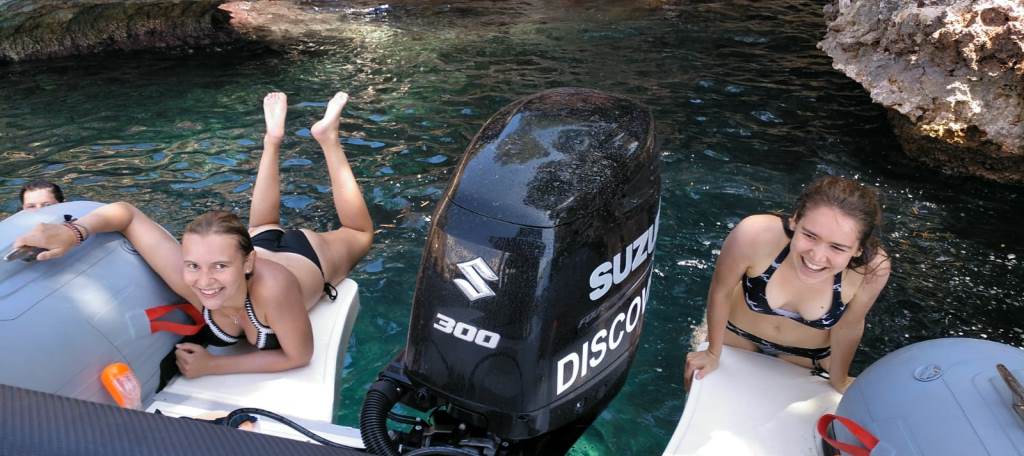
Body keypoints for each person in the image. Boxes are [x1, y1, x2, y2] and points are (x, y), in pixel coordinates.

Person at [14, 91, 373, 378]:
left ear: (248, 263)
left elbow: (299, 355)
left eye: (218, 267)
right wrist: (73, 232)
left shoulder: (273, 288)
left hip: (305, 257)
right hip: (251, 246)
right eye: (193, 266)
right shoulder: (198, 278)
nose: (204, 282)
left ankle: (328, 138)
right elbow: (127, 215)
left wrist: (214, 365)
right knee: (261, 226)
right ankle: (272, 140)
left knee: (359, 233)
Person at [684, 176, 891, 393]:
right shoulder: (754, 234)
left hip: (807, 357)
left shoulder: (872, 269)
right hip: (734, 336)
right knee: (696, 381)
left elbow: (849, 326)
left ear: (858, 249)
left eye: (837, 248)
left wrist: (838, 380)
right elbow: (721, 290)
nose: (817, 257)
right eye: (810, 235)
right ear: (795, 220)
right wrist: (712, 353)